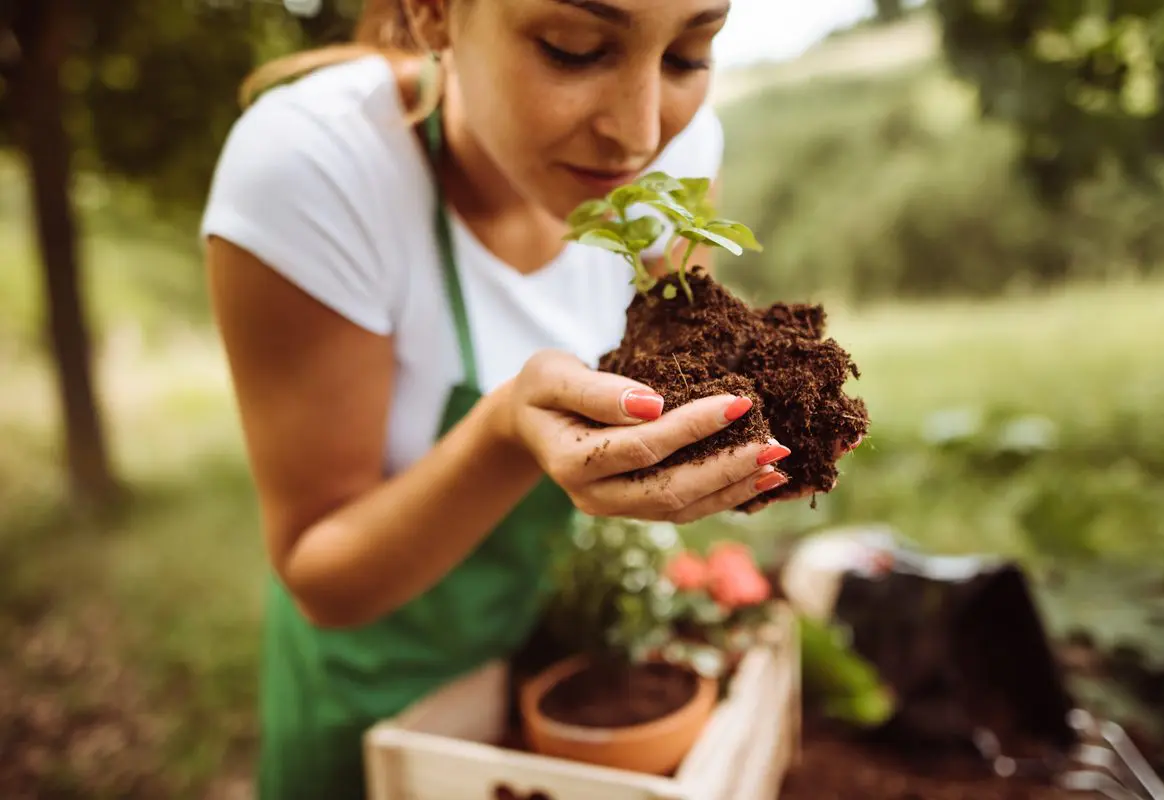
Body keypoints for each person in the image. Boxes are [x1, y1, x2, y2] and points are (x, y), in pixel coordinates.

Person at [199, 1, 856, 797]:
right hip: (381, 697)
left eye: (688, 54)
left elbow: (689, 333)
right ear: (434, 13)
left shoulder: (677, 157)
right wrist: (506, 434)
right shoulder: (314, 167)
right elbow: (320, 574)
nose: (641, 133)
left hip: (563, 661)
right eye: (574, 49)